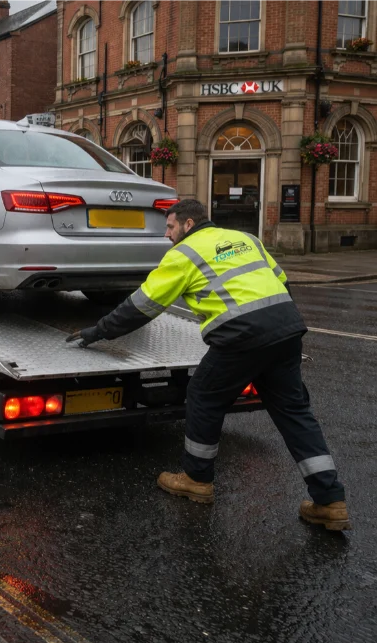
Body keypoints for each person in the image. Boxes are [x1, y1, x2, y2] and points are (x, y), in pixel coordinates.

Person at [66, 199, 350, 531]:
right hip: (286, 327)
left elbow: (141, 306)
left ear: (188, 225)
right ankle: (330, 501)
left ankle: (197, 479)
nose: (166, 235)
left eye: (169, 227)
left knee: (203, 394)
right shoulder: (246, 239)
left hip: (241, 336)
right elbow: (281, 281)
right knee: (294, 412)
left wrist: (98, 331)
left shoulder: (184, 254)